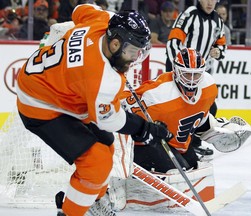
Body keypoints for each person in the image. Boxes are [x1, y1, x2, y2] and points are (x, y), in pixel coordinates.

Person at [16, 4, 172, 216]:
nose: (135, 58)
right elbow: (110, 120)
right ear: (116, 44)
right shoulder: (101, 78)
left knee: (107, 145)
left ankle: (93, 202)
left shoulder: (104, 21)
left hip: (56, 85)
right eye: (133, 52)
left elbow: (80, 9)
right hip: (39, 103)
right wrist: (144, 128)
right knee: (96, 164)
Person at [120, 47, 251, 174]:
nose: (192, 81)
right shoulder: (156, 94)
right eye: (187, 74)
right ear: (176, 71)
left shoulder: (209, 86)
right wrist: (148, 128)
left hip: (180, 144)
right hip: (151, 144)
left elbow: (199, 118)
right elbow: (121, 110)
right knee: (176, 171)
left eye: (197, 75)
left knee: (194, 167)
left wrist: (215, 128)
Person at [165, 0, 227, 158]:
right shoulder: (189, 15)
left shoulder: (217, 21)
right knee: (177, 107)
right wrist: (176, 69)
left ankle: (193, 143)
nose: (210, 2)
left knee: (209, 108)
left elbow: (222, 44)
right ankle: (174, 141)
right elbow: (173, 42)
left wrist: (218, 52)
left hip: (200, 74)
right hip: (181, 71)